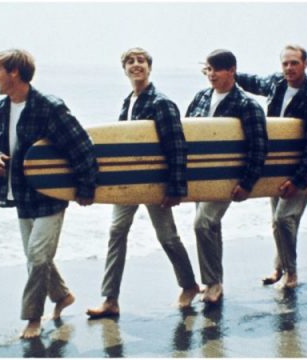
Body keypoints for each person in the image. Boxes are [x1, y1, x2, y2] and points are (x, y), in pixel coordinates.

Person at [0, 48, 98, 338]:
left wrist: (85, 187)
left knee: (38, 256)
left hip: (50, 194)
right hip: (21, 194)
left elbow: (82, 146)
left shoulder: (48, 106)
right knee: (35, 256)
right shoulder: (3, 108)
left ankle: (33, 318)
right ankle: (62, 296)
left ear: (14, 72)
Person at [86, 47, 200, 318]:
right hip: (129, 183)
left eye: (141, 61)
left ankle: (190, 285)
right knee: (116, 232)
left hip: (154, 183)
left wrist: (175, 188)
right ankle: (110, 300)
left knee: (167, 237)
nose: (135, 65)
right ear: (124, 69)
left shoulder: (161, 103)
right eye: (130, 61)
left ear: (149, 67)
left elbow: (177, 146)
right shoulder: (129, 101)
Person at [236, 44, 307, 288]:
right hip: (276, 166)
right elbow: (254, 82)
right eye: (285, 63)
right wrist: (229, 73)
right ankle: (279, 267)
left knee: (283, 219)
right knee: (280, 222)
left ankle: (291, 273)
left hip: (299, 170)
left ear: (305, 64)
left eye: (294, 63)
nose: (289, 68)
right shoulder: (277, 83)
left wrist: (298, 180)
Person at [186, 49, 268, 302]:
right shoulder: (201, 97)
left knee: (202, 224)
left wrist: (247, 184)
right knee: (211, 226)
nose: (211, 75)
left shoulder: (247, 106)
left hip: (228, 179)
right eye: (208, 69)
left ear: (232, 70)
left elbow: (259, 147)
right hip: (201, 177)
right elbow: (187, 131)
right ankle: (216, 282)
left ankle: (211, 282)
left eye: (216, 69)